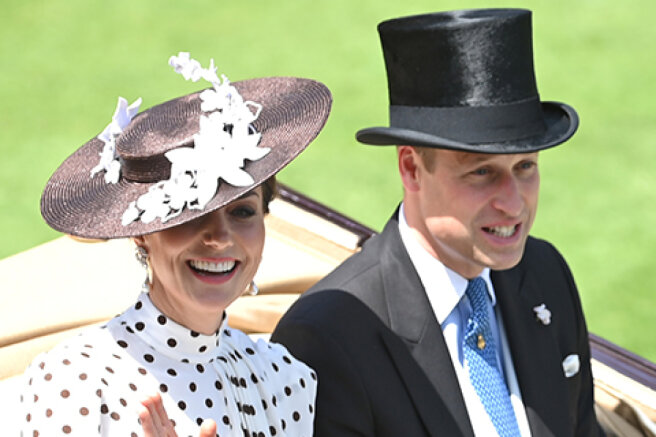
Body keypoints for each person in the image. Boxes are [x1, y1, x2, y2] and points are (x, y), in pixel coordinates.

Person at [272, 9, 604, 437]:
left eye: (525, 166)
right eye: (481, 172)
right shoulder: (327, 337)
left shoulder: (544, 274)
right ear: (411, 168)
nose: (513, 202)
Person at [20, 52, 331, 436]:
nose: (219, 238)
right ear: (141, 233)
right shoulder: (75, 381)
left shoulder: (287, 380)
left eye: (243, 212)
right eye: (192, 216)